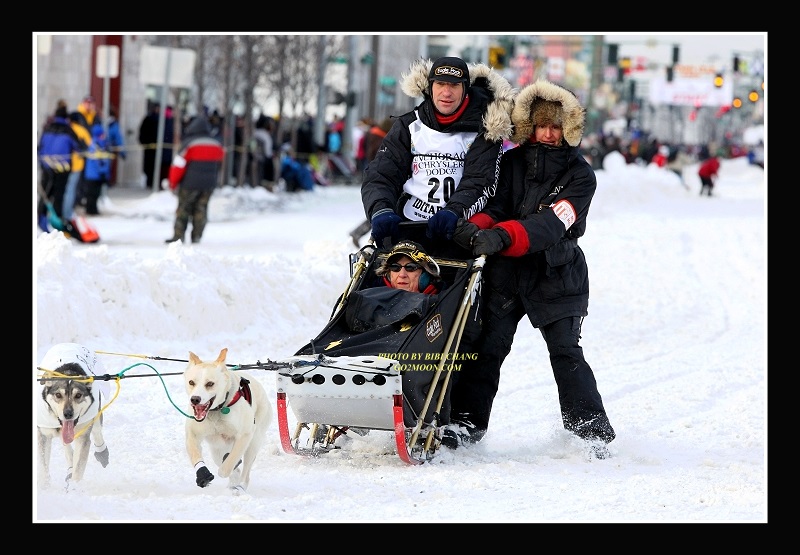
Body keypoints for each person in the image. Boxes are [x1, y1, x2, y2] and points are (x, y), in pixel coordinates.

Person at [447, 79, 616, 458]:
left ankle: (591, 433)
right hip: (506, 276)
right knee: (486, 349)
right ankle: (465, 425)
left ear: (568, 128)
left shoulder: (581, 176)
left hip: (555, 275)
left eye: (556, 126)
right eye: (541, 125)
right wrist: (478, 228)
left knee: (565, 352)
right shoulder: (511, 162)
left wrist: (502, 237)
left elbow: (553, 224)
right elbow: (499, 207)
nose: (548, 133)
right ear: (529, 126)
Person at [361, 56, 515, 249]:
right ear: (430, 86)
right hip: (408, 225)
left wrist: (454, 212)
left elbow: (479, 180)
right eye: (440, 84)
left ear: (465, 89)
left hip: (459, 231)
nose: (446, 92)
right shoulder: (409, 125)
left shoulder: (486, 129)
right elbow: (381, 174)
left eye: (454, 85)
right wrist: (380, 209)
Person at [345, 240, 443, 333]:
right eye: (395, 267)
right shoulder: (368, 300)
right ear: (388, 273)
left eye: (411, 267)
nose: (402, 274)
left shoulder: (443, 302)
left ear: (425, 274)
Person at [165, 115, 225, 244]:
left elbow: (178, 166)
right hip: (208, 184)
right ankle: (197, 236)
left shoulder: (189, 143)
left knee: (183, 209)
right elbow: (220, 161)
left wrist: (173, 183)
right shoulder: (216, 144)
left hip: (189, 184)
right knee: (201, 209)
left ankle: (178, 237)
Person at [37, 104, 84, 232]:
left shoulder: (47, 128)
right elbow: (79, 147)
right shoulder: (69, 130)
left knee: (46, 193)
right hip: (62, 168)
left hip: (47, 166)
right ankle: (57, 221)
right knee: (59, 194)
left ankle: (41, 218)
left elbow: (40, 147)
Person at [349, 117, 394, 246]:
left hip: (374, 176)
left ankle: (358, 233)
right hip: (380, 178)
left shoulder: (373, 135)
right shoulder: (380, 139)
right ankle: (359, 233)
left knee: (380, 209)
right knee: (381, 209)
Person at [80, 121, 112, 215]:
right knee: (92, 194)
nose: (104, 135)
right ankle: (91, 210)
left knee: (96, 194)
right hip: (94, 175)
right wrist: (103, 172)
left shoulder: (102, 144)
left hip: (96, 175)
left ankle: (92, 209)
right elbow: (99, 161)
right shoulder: (96, 145)